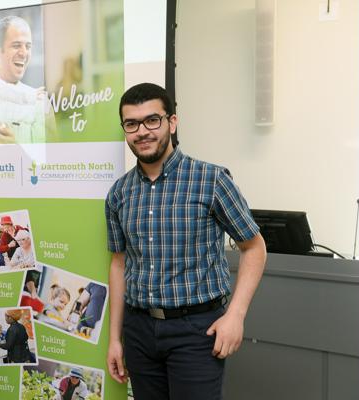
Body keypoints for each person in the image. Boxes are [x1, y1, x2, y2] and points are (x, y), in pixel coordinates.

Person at [105, 83, 267, 400]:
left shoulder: (212, 180)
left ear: (172, 122)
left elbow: (254, 248)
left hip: (196, 331)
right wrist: (115, 338)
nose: (142, 131)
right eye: (131, 124)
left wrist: (235, 316)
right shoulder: (119, 193)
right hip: (138, 331)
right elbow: (119, 263)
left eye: (152, 120)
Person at [0, 16, 51, 144]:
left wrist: (14, 150)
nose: (24, 53)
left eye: (28, 46)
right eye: (16, 46)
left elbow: (54, 159)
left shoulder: (40, 103)